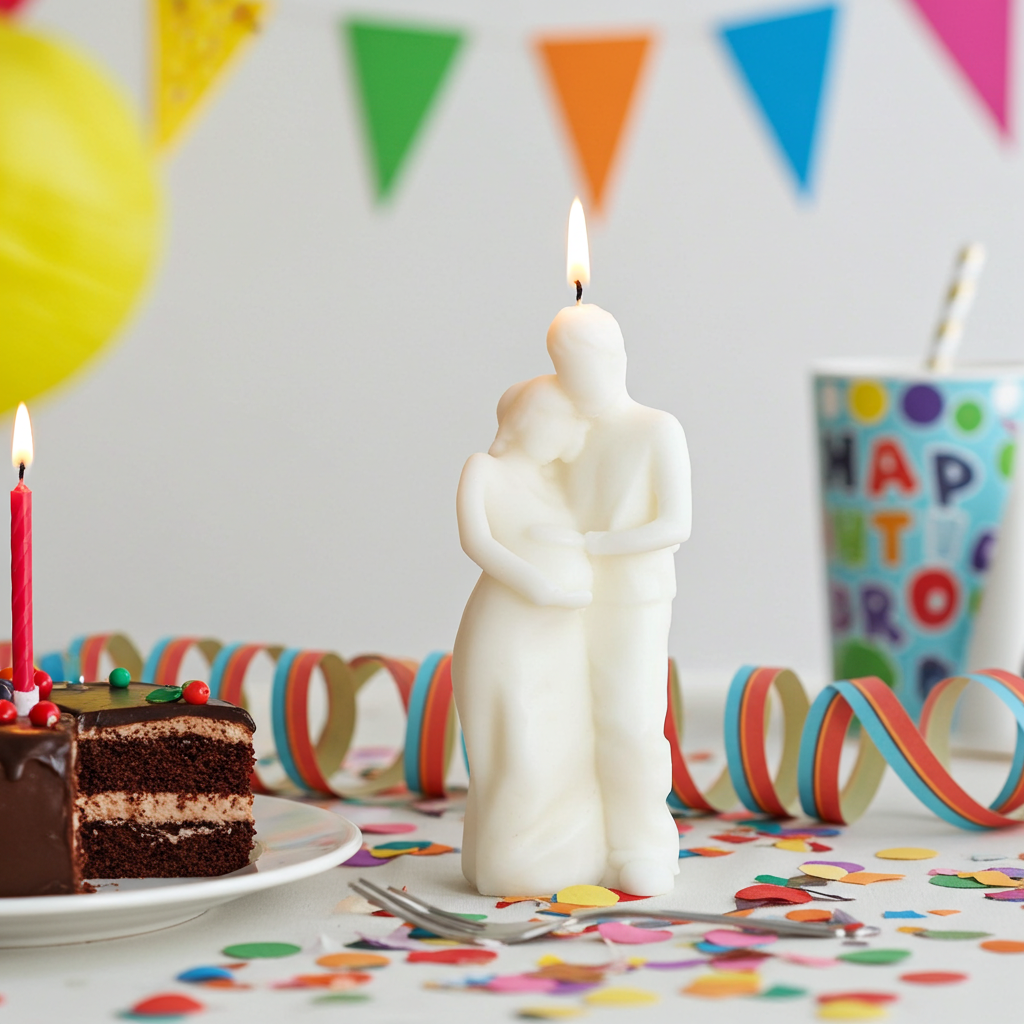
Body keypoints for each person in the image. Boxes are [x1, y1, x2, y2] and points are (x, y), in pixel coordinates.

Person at [547, 302, 692, 897]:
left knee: (631, 721)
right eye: (560, 365)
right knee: (570, 719)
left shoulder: (656, 428)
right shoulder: (567, 431)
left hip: (633, 596)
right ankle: (579, 841)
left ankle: (643, 844)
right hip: (565, 595)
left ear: (615, 358)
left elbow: (676, 522)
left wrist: (595, 542)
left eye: (579, 364)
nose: (571, 379)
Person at [451, 375, 607, 897]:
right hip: (508, 631)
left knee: (564, 744)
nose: (564, 436)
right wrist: (537, 586)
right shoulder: (485, 470)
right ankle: (508, 863)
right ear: (525, 419)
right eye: (557, 422)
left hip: (561, 638)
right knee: (516, 743)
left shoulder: (556, 485)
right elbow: (476, 540)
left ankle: (563, 857)